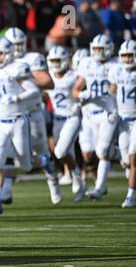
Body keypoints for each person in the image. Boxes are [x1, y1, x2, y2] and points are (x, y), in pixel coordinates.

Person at [4, 27, 62, 205]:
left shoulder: (33, 58)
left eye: (20, 44)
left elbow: (48, 82)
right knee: (6, 152)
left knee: (40, 152)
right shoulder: (1, 62)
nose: (17, 48)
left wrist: (25, 78)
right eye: (13, 44)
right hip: (10, 114)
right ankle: (4, 191)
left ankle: (52, 178)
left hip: (32, 113)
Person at [0, 37, 39, 214]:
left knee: (26, 165)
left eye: (0, 53)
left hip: (18, 120)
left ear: (9, 54)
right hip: (0, 122)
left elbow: (34, 91)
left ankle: (44, 160)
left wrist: (16, 98)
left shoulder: (17, 68)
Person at [72, 34, 119, 200]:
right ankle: (118, 154)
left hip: (107, 113)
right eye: (96, 49)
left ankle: (100, 187)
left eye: (102, 49)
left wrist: (101, 95)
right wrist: (83, 94)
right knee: (88, 155)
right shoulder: (86, 63)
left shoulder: (116, 64)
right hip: (89, 115)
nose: (99, 52)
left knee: (102, 151)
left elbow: (114, 87)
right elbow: (75, 89)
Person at [44, 46, 84, 202]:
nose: (55, 64)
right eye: (52, 61)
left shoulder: (75, 75)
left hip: (72, 117)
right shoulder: (47, 77)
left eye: (57, 60)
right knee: (66, 153)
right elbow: (44, 96)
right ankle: (81, 186)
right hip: (57, 118)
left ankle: (76, 174)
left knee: (60, 152)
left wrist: (80, 103)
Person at [108, 39, 136, 208]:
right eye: (125, 56)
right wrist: (110, 110)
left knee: (133, 155)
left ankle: (130, 195)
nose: (128, 60)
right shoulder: (116, 71)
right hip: (123, 121)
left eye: (131, 56)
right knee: (126, 161)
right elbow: (111, 91)